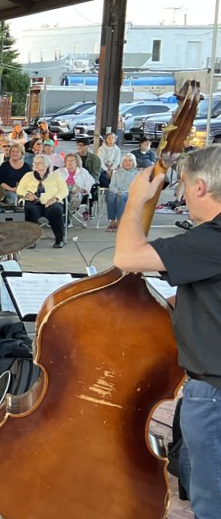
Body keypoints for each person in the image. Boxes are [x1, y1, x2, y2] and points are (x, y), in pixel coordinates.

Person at [113, 144, 221, 519]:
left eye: (185, 185)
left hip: (212, 392)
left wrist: (135, 201)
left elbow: (126, 256)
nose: (182, 194)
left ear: (202, 188)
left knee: (211, 499)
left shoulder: (211, 239)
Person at [17, 154, 67, 248]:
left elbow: (64, 190)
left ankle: (59, 239)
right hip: (33, 202)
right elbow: (19, 189)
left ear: (47, 165)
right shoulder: (28, 175)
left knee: (55, 210)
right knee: (30, 210)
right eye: (35, 163)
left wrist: (55, 198)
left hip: (51, 202)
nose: (36, 165)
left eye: (39, 163)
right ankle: (31, 240)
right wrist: (27, 194)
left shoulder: (55, 175)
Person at [105, 153, 138, 232]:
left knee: (121, 197)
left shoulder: (137, 174)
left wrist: (123, 192)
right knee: (110, 195)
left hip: (129, 193)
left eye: (130, 161)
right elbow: (111, 186)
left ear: (133, 163)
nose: (127, 162)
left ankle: (120, 221)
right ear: (122, 162)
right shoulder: (116, 172)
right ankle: (112, 221)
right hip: (117, 192)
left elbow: (137, 187)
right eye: (125, 161)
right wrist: (117, 191)